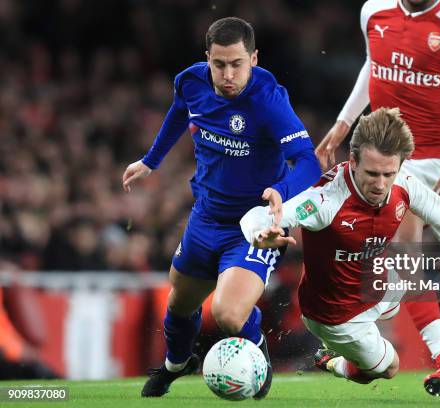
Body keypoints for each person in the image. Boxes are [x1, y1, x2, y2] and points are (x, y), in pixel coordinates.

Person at [122, 17, 321, 398]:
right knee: (179, 307)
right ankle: (177, 364)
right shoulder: (190, 81)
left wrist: (281, 190)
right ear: (207, 59)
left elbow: (308, 162)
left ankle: (257, 348)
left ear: (254, 59)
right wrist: (151, 160)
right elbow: (180, 111)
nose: (227, 74)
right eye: (219, 64)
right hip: (205, 217)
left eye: (236, 64)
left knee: (229, 315)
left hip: (254, 226)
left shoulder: (269, 99)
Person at [315, 0, 440, 394]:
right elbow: (374, 66)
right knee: (405, 253)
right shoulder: (373, 11)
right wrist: (344, 121)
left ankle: (398, 301)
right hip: (402, 163)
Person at [240, 108, 440, 393]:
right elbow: (256, 217)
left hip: (373, 283)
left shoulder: (403, 183)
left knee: (410, 268)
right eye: (372, 173)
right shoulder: (325, 200)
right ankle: (331, 362)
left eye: (389, 173)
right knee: (389, 369)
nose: (381, 184)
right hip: (336, 316)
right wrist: (258, 234)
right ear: (352, 162)